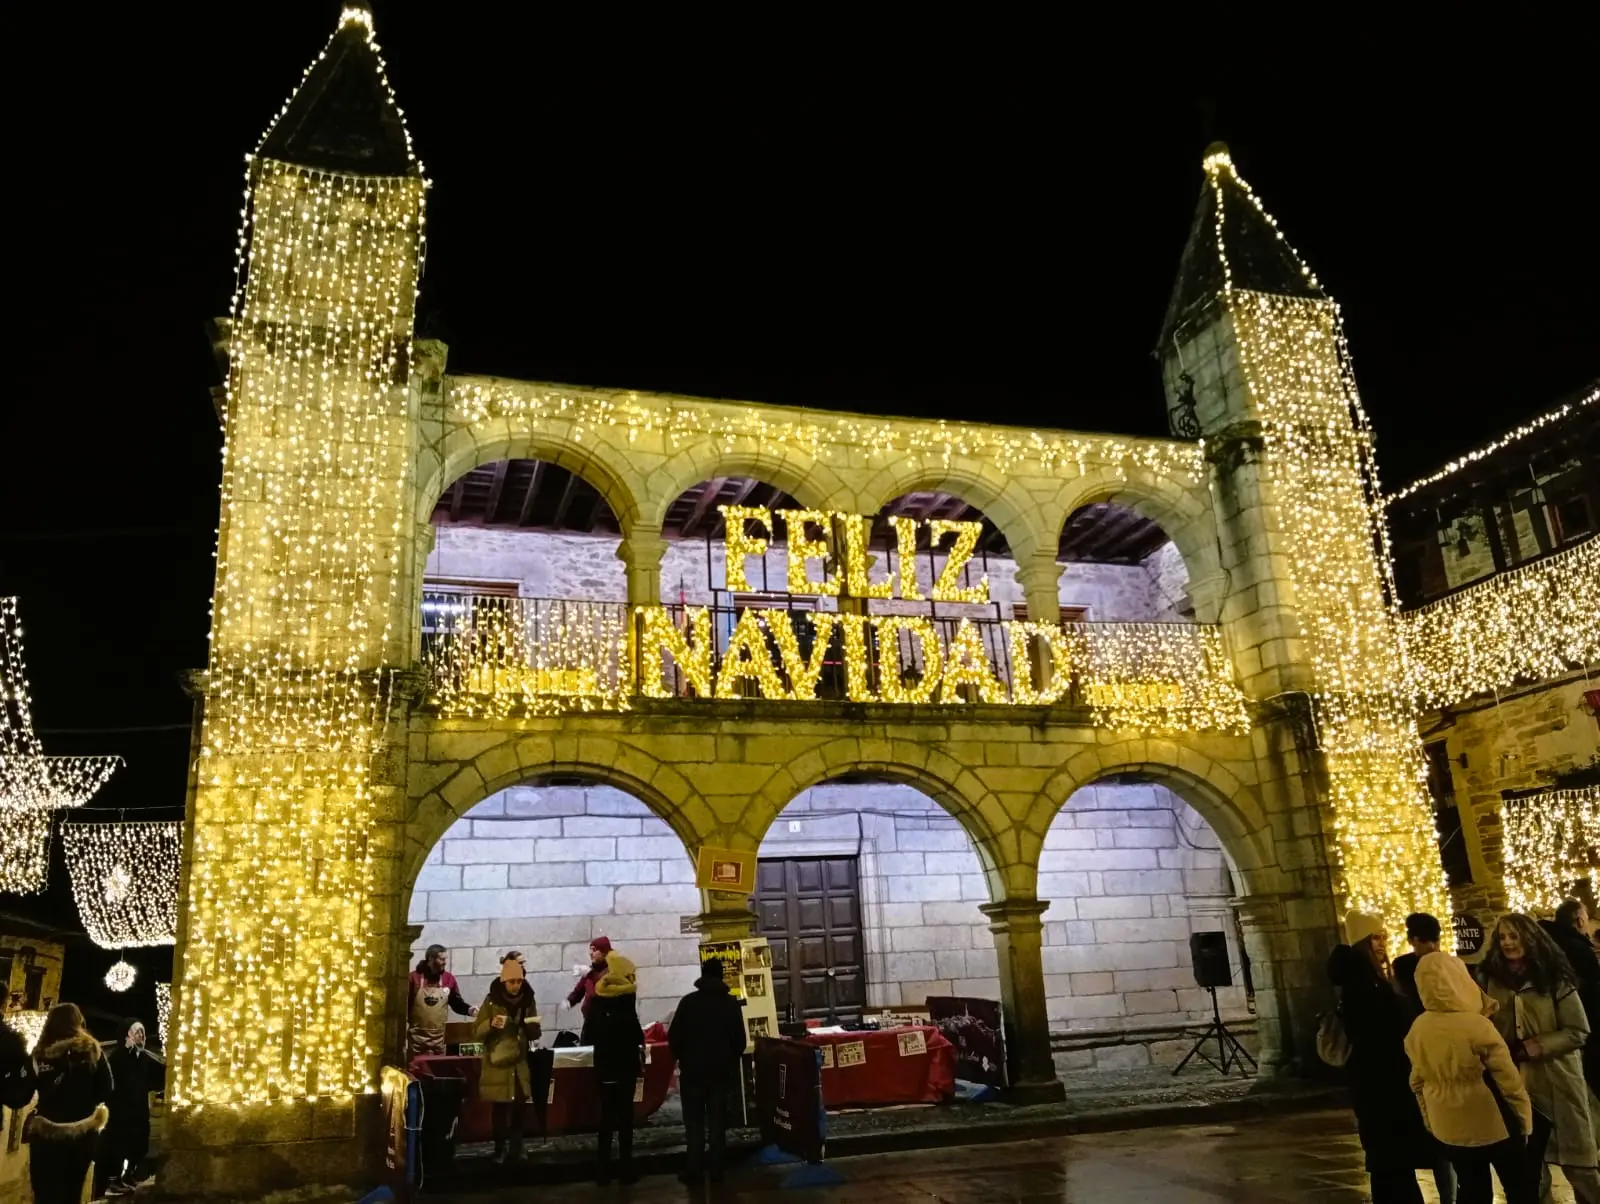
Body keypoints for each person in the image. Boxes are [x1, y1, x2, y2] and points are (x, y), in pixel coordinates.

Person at [1479, 913, 1600, 1204]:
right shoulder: (1490, 980)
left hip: (1559, 1082)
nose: (1508, 943)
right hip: (1517, 1085)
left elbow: (1578, 1031)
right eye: (1503, 937)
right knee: (1531, 1172)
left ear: (1530, 938)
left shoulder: (1554, 978)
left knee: (1580, 1166)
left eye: (1514, 936)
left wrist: (1534, 1046)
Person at [1405, 951, 1535, 1204]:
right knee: (1518, 1187)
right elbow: (1507, 1081)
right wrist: (1523, 1120)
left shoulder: (1418, 1028)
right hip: (1492, 1123)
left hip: (1449, 1125)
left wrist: (1430, 1121)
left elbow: (1417, 1082)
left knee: (1473, 1188)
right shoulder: (1476, 1025)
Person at [1326, 913, 1434, 1204]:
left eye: (1384, 937)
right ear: (1361, 942)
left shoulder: (1370, 981)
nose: (1382, 944)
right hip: (1382, 1085)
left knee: (1390, 1166)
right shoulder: (1364, 987)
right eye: (1375, 937)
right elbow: (1381, 1035)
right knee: (1391, 1163)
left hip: (1379, 1084)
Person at [669, 957, 747, 1185]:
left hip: (693, 1073)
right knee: (717, 1123)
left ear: (702, 975)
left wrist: (683, 1058)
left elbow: (674, 1038)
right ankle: (716, 1170)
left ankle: (694, 1170)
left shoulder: (688, 1003)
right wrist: (729, 1059)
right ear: (721, 976)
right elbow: (739, 1042)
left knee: (694, 1124)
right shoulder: (731, 1004)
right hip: (721, 1074)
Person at [26, 1004, 113, 1204]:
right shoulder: (91, 1049)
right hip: (81, 1133)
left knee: (45, 1193)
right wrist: (84, 1101)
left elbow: (27, 1088)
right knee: (72, 1193)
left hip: (46, 1133)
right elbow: (106, 1087)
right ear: (77, 1022)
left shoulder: (40, 1052)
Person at [475, 953, 539, 1164]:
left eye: (519, 981)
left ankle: (517, 1145)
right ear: (504, 981)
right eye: (512, 981)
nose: (516, 986)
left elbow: (535, 1029)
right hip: (497, 1062)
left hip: (519, 1061)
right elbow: (477, 1031)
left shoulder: (528, 999)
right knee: (500, 1108)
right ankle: (499, 1148)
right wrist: (491, 1024)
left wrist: (532, 1027)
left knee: (520, 1107)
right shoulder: (492, 1000)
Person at [588, 954, 643, 1185]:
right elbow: (636, 1034)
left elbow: (588, 1034)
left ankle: (602, 1171)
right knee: (625, 1120)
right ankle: (626, 1169)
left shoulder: (598, 999)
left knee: (606, 1119)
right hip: (625, 1067)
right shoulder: (626, 999)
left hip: (604, 1067)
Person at [1544, 899, 1600, 1101]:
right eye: (1585, 917)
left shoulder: (1549, 945)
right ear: (1578, 920)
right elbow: (1592, 991)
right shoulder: (1579, 948)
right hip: (1582, 1024)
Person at [100, 1019, 164, 1196]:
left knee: (138, 1143)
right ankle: (113, 1181)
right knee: (119, 1145)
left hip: (138, 1109)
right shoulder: (118, 1056)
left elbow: (152, 1078)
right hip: (121, 1111)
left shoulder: (143, 1057)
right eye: (137, 1032)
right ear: (127, 1035)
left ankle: (129, 1176)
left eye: (142, 1032)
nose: (141, 1036)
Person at [408, 944, 477, 1063]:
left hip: (439, 1041)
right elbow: (404, 1006)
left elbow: (456, 1003)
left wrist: (470, 1010)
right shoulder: (414, 978)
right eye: (441, 959)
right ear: (430, 959)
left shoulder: (448, 979)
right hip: (416, 1040)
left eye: (446, 959)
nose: (445, 962)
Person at [1394, 912, 1445, 1012]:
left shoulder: (1448, 963)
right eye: (1424, 940)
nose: (1431, 946)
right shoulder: (1402, 965)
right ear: (1411, 941)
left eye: (1435, 940)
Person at [567, 937, 612, 1043]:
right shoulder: (590, 972)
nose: (591, 953)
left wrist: (591, 974)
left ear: (604, 952)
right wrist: (568, 1002)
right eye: (590, 950)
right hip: (590, 1024)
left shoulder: (612, 972)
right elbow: (578, 991)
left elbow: (600, 992)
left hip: (607, 1025)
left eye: (594, 950)